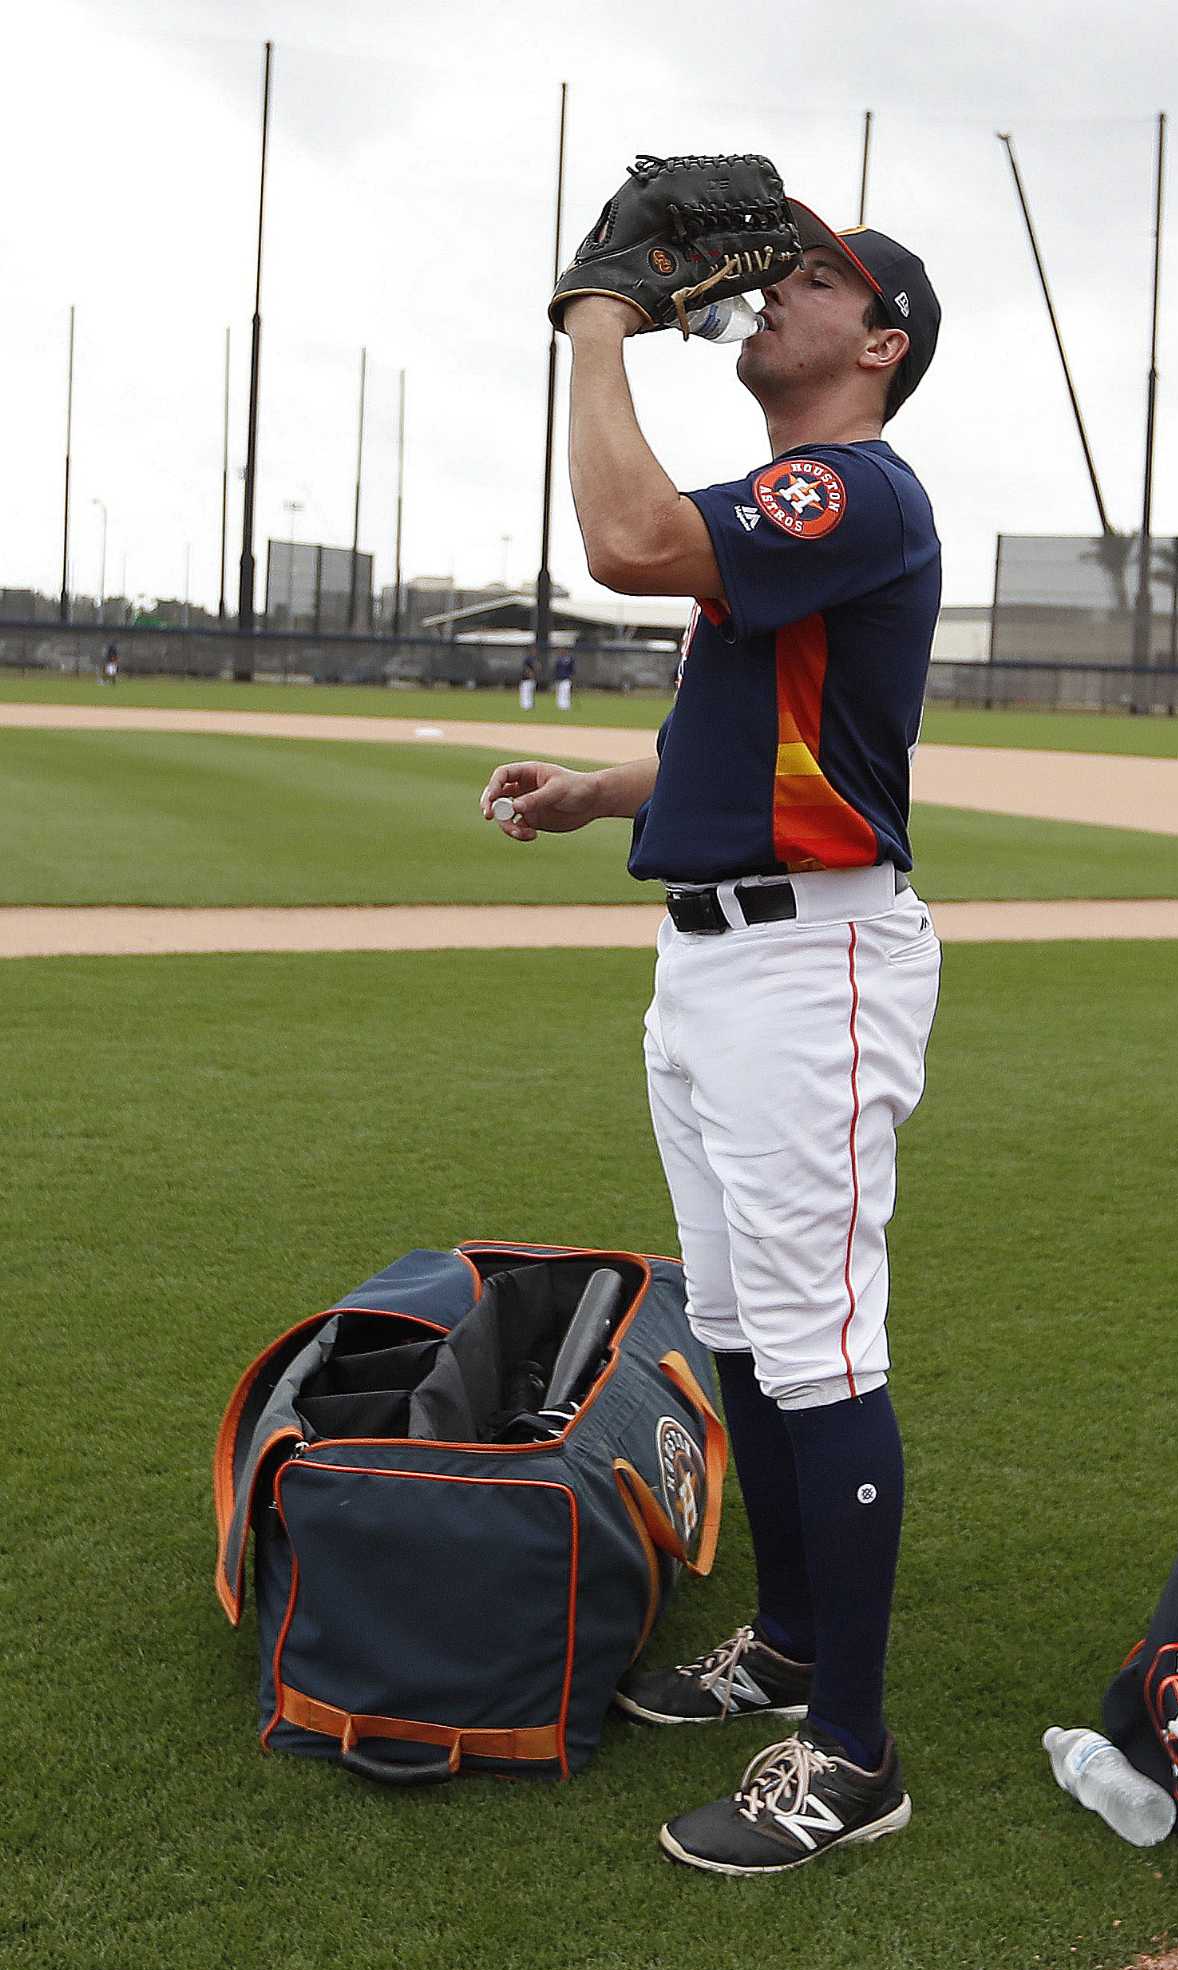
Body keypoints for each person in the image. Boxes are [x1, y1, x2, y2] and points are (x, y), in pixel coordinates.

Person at [481, 202, 943, 1877]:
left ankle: (853, 1750)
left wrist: (599, 318)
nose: (770, 290)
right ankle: (792, 1644)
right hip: (717, 961)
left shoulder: (857, 483)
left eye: (817, 279)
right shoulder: (781, 516)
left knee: (819, 1345)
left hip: (809, 963)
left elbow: (620, 534)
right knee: (742, 1319)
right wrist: (601, 789)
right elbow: (731, 729)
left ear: (879, 343)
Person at [553, 647, 575, 712]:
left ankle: (566, 706)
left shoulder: (570, 659)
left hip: (566, 678)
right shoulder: (558, 660)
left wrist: (571, 676)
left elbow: (572, 669)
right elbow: (556, 670)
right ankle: (560, 706)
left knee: (566, 692)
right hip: (559, 679)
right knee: (559, 693)